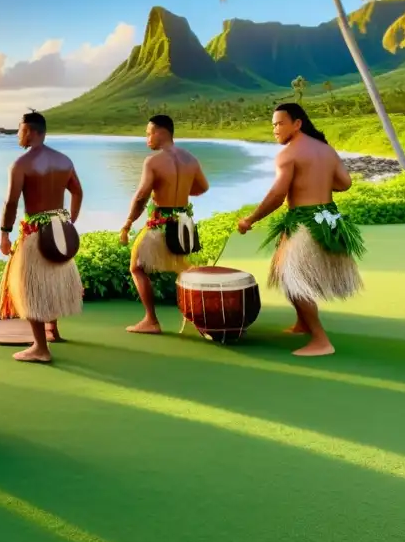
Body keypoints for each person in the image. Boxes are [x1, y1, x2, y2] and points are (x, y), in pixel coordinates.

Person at [237, 103, 364, 357]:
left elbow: (276, 195)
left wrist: (250, 219)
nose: (274, 129)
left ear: (297, 124)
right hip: (328, 219)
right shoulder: (326, 150)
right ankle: (303, 323)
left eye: (280, 123)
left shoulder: (289, 154)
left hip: (304, 222)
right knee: (285, 272)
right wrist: (317, 180)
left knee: (294, 278)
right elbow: (345, 183)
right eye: (273, 124)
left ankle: (320, 340)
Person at [0, 110, 84, 363]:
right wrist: (70, 221)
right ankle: (52, 330)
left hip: (35, 233)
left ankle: (40, 348)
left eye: (20, 130)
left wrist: (4, 233)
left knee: (30, 287)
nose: (18, 135)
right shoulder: (64, 161)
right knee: (52, 280)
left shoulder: (21, 164)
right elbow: (78, 192)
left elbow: (11, 202)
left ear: (32, 131)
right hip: (58, 230)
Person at [119, 115, 209, 334]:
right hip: (183, 225)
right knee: (182, 268)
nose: (147, 138)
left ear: (161, 132)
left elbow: (141, 196)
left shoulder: (153, 162)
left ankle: (151, 320)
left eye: (148, 133)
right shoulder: (191, 159)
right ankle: (199, 315)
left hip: (160, 225)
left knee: (136, 267)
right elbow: (202, 187)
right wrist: (178, 191)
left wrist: (128, 223)